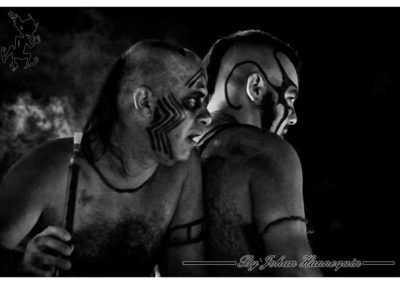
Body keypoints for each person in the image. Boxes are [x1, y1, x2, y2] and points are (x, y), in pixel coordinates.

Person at [0, 39, 211, 276]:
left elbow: (186, 275)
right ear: (145, 102)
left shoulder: (182, 168)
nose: (207, 117)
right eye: (193, 101)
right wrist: (20, 266)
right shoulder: (50, 168)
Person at [198, 30, 321, 276]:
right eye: (289, 98)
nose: (294, 117)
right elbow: (295, 269)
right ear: (255, 86)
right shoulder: (267, 151)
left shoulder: (167, 156)